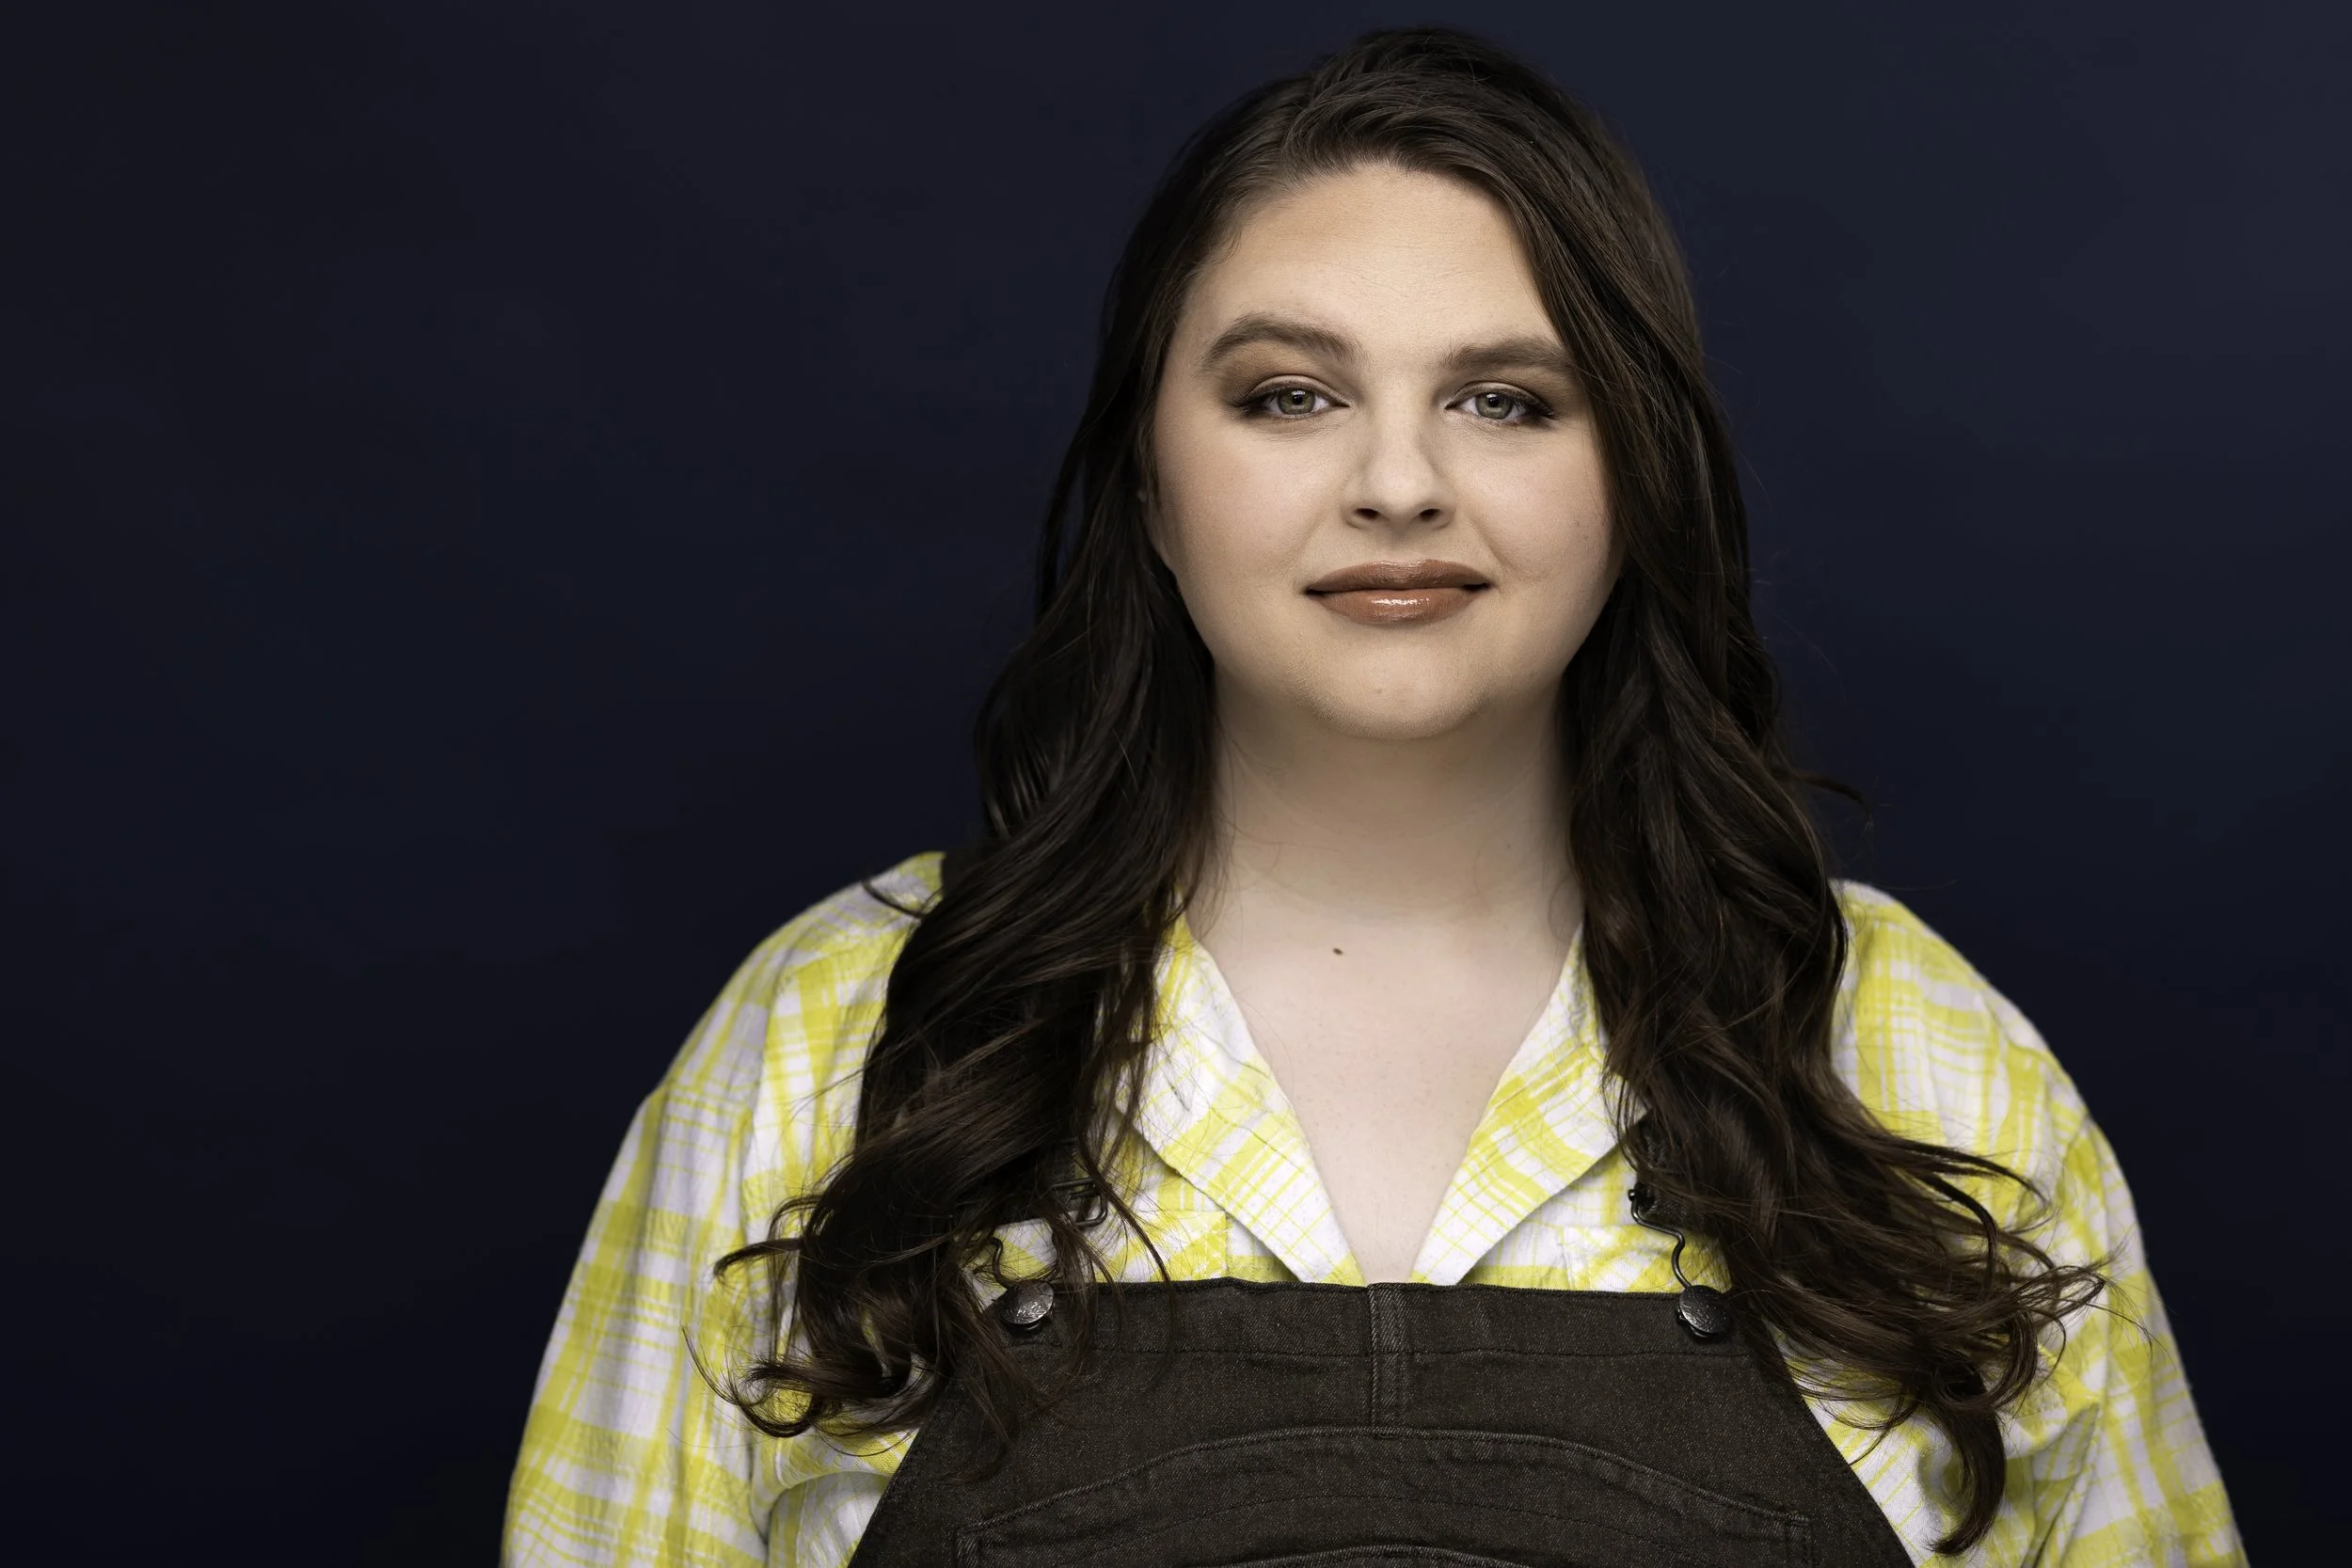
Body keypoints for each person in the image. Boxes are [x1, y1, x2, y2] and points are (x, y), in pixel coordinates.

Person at [503, 28, 2241, 1566]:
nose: (1399, 482)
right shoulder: (828, 1048)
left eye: (1504, 398)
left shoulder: (1925, 1066)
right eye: (1290, 395)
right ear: (1153, 486)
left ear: (1630, 471)